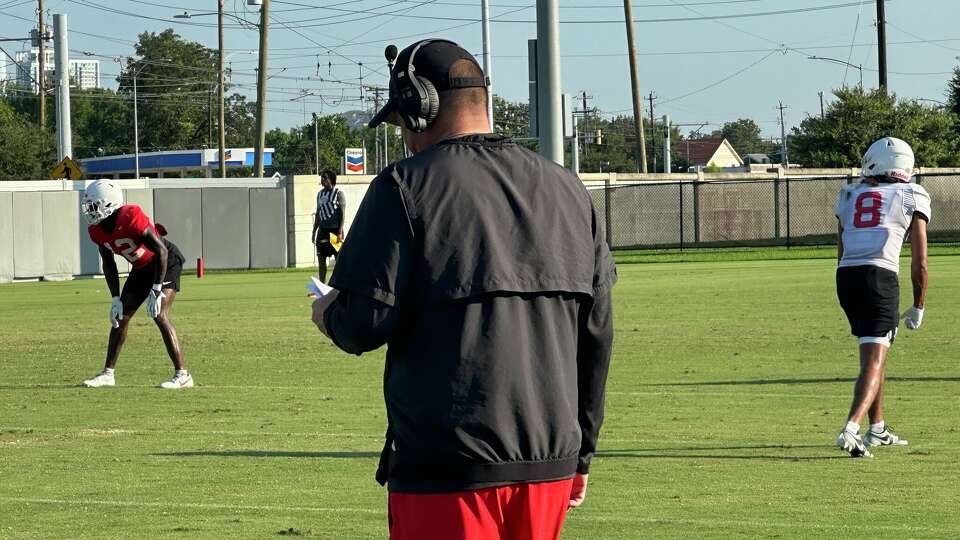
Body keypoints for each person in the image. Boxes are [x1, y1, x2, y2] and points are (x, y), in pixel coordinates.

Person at [310, 39, 616, 539]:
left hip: (447, 468)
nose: (404, 138)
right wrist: (581, 454)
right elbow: (597, 334)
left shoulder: (403, 186)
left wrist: (326, 312)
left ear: (418, 105)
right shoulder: (569, 189)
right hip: (549, 468)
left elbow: (361, 325)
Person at [834, 137, 930, 457]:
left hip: (846, 277)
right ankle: (851, 428)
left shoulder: (849, 194)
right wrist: (919, 304)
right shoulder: (911, 193)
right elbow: (921, 262)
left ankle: (877, 428)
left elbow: (842, 249)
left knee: (876, 353)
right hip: (880, 277)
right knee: (874, 360)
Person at [80, 179, 194, 389]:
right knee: (120, 317)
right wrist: (115, 298)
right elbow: (108, 264)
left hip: (165, 263)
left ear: (109, 203)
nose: (90, 210)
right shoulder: (96, 231)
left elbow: (162, 251)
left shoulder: (130, 215)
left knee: (159, 313)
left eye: (94, 205)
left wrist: (157, 289)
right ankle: (108, 374)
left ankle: (183, 374)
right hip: (141, 268)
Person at [311, 169, 346, 283]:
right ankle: (322, 285)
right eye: (321, 178)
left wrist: (340, 231)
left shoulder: (338, 193)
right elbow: (318, 213)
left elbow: (342, 214)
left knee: (339, 259)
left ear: (331, 179)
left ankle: (338, 284)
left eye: (325, 178)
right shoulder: (320, 194)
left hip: (334, 231)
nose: (322, 180)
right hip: (323, 231)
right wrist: (314, 231)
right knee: (321, 259)